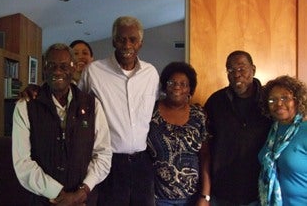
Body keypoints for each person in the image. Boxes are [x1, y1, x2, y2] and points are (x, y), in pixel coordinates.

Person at [12, 43, 112, 206]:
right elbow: (22, 163)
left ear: (73, 69)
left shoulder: (92, 105)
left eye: (64, 66)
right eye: (51, 66)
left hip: (84, 201)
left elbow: (103, 154)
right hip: (44, 199)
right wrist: (58, 194)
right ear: (44, 69)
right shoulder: (26, 107)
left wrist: (82, 192)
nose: (57, 71)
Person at [78, 16, 159, 206]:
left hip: (142, 162)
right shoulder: (94, 71)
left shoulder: (151, 74)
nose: (127, 44)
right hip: (110, 163)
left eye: (133, 39)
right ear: (114, 40)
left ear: (140, 43)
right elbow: (75, 104)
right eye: (122, 39)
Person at [204, 50, 272, 206]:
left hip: (259, 191)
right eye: (230, 70)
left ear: (253, 70)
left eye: (241, 68)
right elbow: (205, 144)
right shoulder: (216, 101)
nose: (236, 74)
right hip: (222, 191)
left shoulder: (268, 101)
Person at [147, 62, 211, 206]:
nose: (177, 87)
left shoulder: (199, 115)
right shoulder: (151, 111)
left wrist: (205, 195)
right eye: (172, 82)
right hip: (156, 198)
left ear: (190, 89)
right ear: (165, 86)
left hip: (192, 198)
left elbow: (205, 156)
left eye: (183, 84)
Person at [258, 75, 307, 206]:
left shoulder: (305, 130)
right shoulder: (274, 129)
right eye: (272, 100)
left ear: (297, 100)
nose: (278, 103)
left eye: (285, 98)